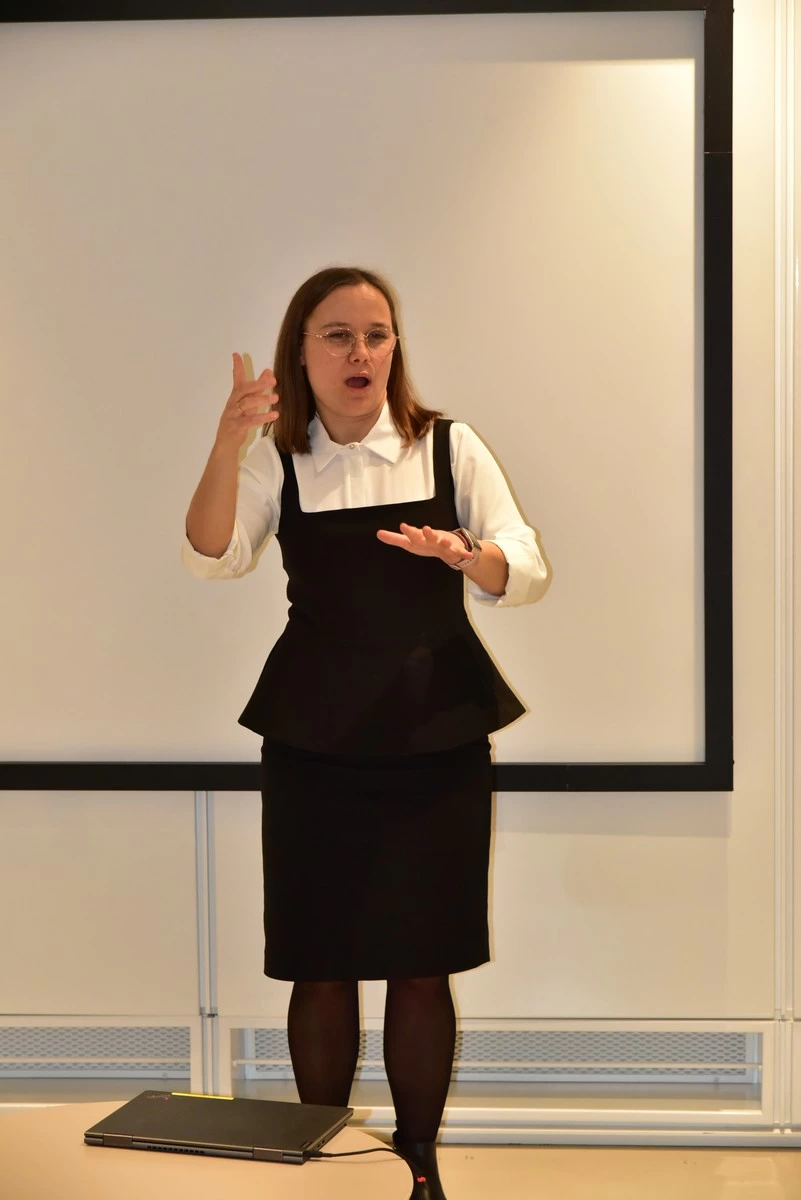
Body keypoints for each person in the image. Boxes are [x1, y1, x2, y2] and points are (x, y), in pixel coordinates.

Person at [182, 265, 548, 1200]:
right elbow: (213, 555)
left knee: (422, 968)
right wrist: (227, 443)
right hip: (314, 739)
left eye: (376, 334)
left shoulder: (447, 446)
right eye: (338, 335)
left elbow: (525, 569)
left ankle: (419, 1169)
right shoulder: (278, 458)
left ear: (395, 347)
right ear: (300, 354)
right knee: (321, 965)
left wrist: (468, 555)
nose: (361, 353)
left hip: (436, 734)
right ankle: (325, 1169)